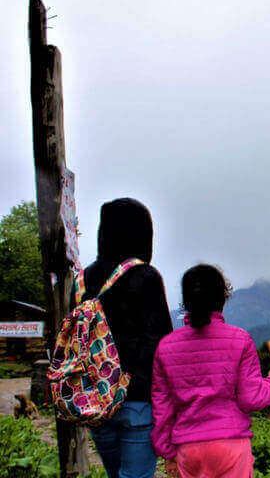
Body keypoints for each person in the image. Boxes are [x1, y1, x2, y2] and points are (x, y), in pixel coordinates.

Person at [151, 264, 270, 478]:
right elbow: (250, 398)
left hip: (188, 447)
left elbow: (162, 407)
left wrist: (167, 452)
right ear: (223, 298)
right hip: (231, 445)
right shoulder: (240, 340)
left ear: (186, 301)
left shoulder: (166, 347)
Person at [78, 198, 173, 478]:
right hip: (137, 399)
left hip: (95, 398)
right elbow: (162, 344)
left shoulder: (84, 279)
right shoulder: (146, 275)